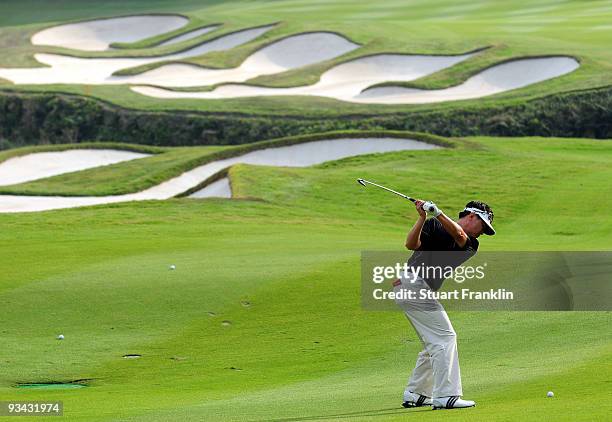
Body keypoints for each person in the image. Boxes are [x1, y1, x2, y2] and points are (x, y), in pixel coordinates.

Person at [396, 199, 495, 410]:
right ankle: (446, 396)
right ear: (471, 216)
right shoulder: (433, 225)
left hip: (414, 288)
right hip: (411, 284)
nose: (482, 233)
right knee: (445, 337)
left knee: (432, 343)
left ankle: (417, 393)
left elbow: (460, 235)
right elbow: (411, 245)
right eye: (483, 226)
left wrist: (437, 212)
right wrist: (422, 218)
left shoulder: (471, 244)